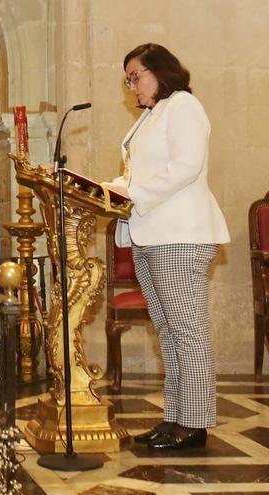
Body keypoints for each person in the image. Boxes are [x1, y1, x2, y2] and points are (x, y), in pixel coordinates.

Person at [103, 43, 229, 450]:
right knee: (169, 333)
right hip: (150, 235)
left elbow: (186, 166)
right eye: (128, 80)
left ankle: (194, 424)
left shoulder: (184, 107)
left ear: (160, 71)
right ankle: (175, 418)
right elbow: (136, 174)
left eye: (135, 76)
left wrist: (134, 194)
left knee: (187, 332)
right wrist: (108, 190)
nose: (131, 86)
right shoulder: (150, 118)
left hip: (179, 235)